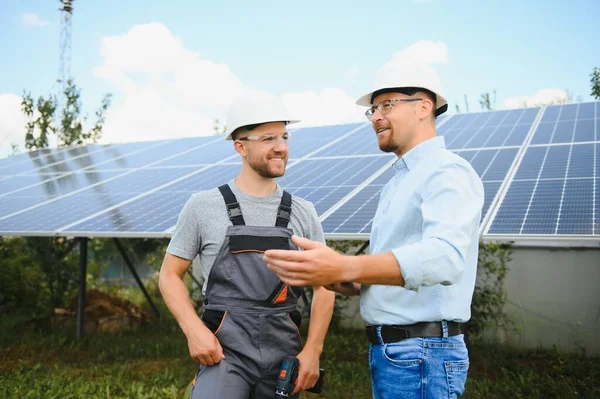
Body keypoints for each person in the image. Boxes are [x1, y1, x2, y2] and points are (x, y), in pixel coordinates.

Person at [264, 61, 484, 398]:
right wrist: (332, 276)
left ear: (424, 107)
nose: (376, 117)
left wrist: (347, 265)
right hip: (397, 354)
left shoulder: (446, 171)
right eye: (373, 109)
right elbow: (391, 273)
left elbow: (445, 257)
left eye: (386, 105)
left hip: (423, 353)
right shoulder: (399, 181)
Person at [159, 90, 335, 398]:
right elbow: (169, 274)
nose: (280, 147)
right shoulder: (203, 206)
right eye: (268, 139)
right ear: (240, 146)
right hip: (225, 353)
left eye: (284, 137)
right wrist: (193, 330)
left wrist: (313, 350)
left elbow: (326, 285)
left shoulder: (303, 211)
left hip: (284, 353)